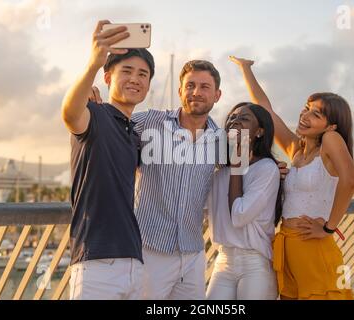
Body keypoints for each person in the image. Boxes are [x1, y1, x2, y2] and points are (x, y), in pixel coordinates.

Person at [90, 59, 289, 300]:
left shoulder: (221, 141)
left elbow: (249, 163)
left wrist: (277, 168)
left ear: (217, 95)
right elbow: (111, 127)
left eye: (205, 87)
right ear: (180, 91)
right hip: (150, 250)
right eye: (190, 85)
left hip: (193, 256)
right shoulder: (150, 123)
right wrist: (96, 104)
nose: (196, 92)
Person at [230, 56, 354, 300]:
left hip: (314, 247)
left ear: (331, 126)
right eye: (306, 108)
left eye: (316, 114)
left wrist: (330, 227)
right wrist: (246, 69)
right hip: (286, 246)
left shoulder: (330, 141)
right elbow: (266, 111)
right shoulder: (295, 150)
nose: (305, 115)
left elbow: (350, 181)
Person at [61, 20, 155, 299]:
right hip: (96, 264)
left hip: (134, 264)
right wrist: (92, 65)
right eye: (126, 71)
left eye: (143, 74)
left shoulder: (134, 133)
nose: (135, 79)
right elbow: (69, 113)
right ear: (107, 77)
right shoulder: (94, 115)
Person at [206, 102, 282, 300]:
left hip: (254, 262)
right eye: (232, 118)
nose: (235, 122)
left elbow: (239, 215)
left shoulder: (266, 169)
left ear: (259, 132)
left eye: (244, 118)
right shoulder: (218, 171)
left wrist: (237, 168)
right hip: (223, 260)